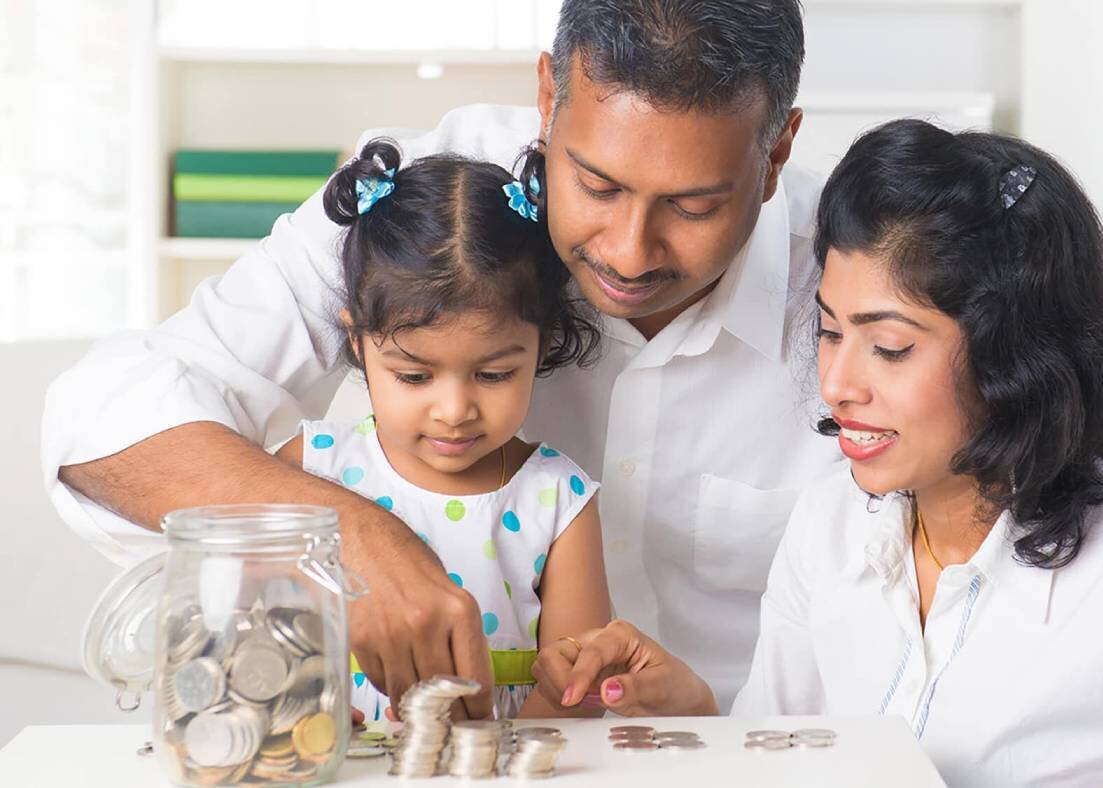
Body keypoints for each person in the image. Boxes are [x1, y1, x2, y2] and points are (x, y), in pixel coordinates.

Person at [42, 0, 838, 716]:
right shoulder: (435, 204)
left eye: (693, 205)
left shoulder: (854, 281)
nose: (629, 253)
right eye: (595, 185)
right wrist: (349, 538)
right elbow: (102, 418)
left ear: (775, 155)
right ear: (549, 100)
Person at [532, 120, 1103, 785]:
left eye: (889, 347)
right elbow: (778, 769)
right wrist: (699, 715)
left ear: (1013, 356)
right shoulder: (826, 528)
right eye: (829, 331)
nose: (837, 383)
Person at [269, 139, 610, 720]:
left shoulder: (558, 500)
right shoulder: (313, 468)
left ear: (544, 343)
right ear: (357, 342)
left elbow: (579, 695)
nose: (454, 409)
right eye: (414, 375)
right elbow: (245, 627)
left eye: (495, 373)